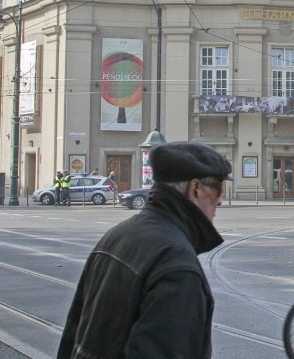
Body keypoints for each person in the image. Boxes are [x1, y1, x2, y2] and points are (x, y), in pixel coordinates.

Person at [58, 141, 231, 358]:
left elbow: (73, 333)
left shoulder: (117, 235)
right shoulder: (176, 264)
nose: (220, 201)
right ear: (194, 188)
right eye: (219, 188)